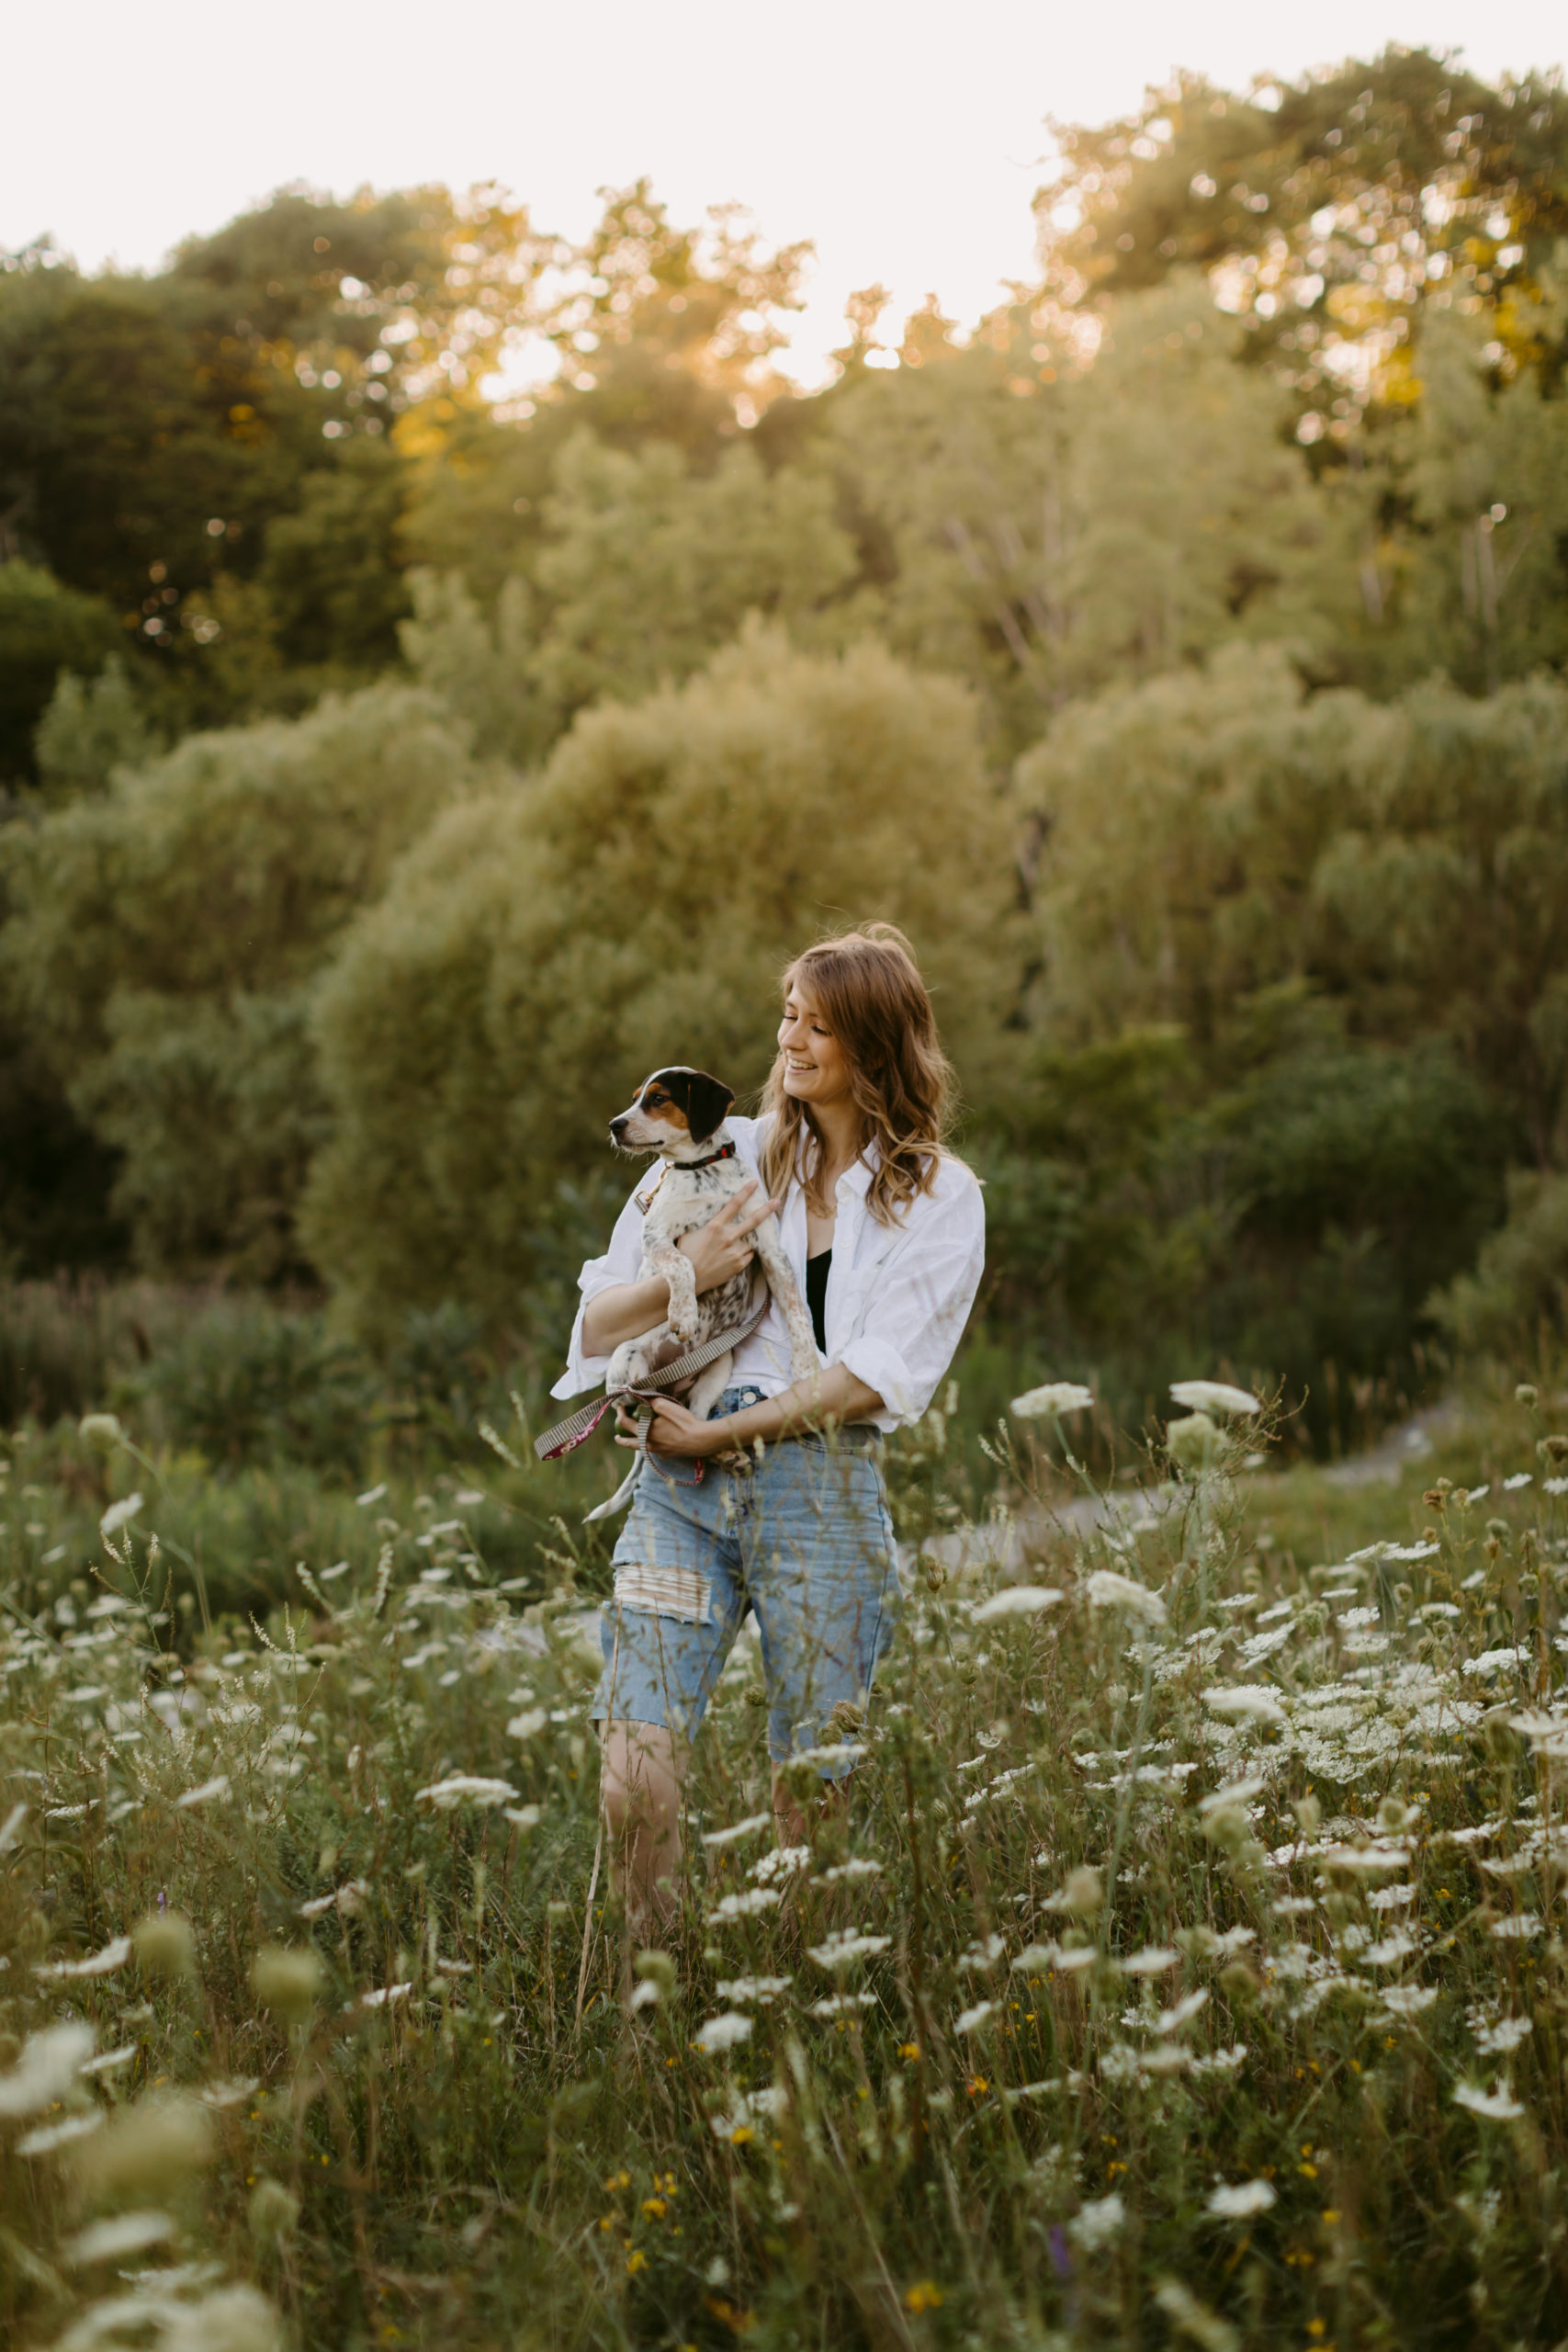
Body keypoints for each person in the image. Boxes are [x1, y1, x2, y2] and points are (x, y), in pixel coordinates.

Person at [551, 923, 985, 1938]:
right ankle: (650, 1990)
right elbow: (594, 1318)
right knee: (632, 1779)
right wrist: (687, 1276)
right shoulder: (721, 1151)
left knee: (813, 1803)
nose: (790, 1041)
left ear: (875, 1049)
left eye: (818, 1026)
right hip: (682, 1501)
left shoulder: (939, 1197)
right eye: (788, 1014)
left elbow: (876, 1377)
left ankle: (799, 2003)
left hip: (821, 1500)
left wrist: (718, 1437)